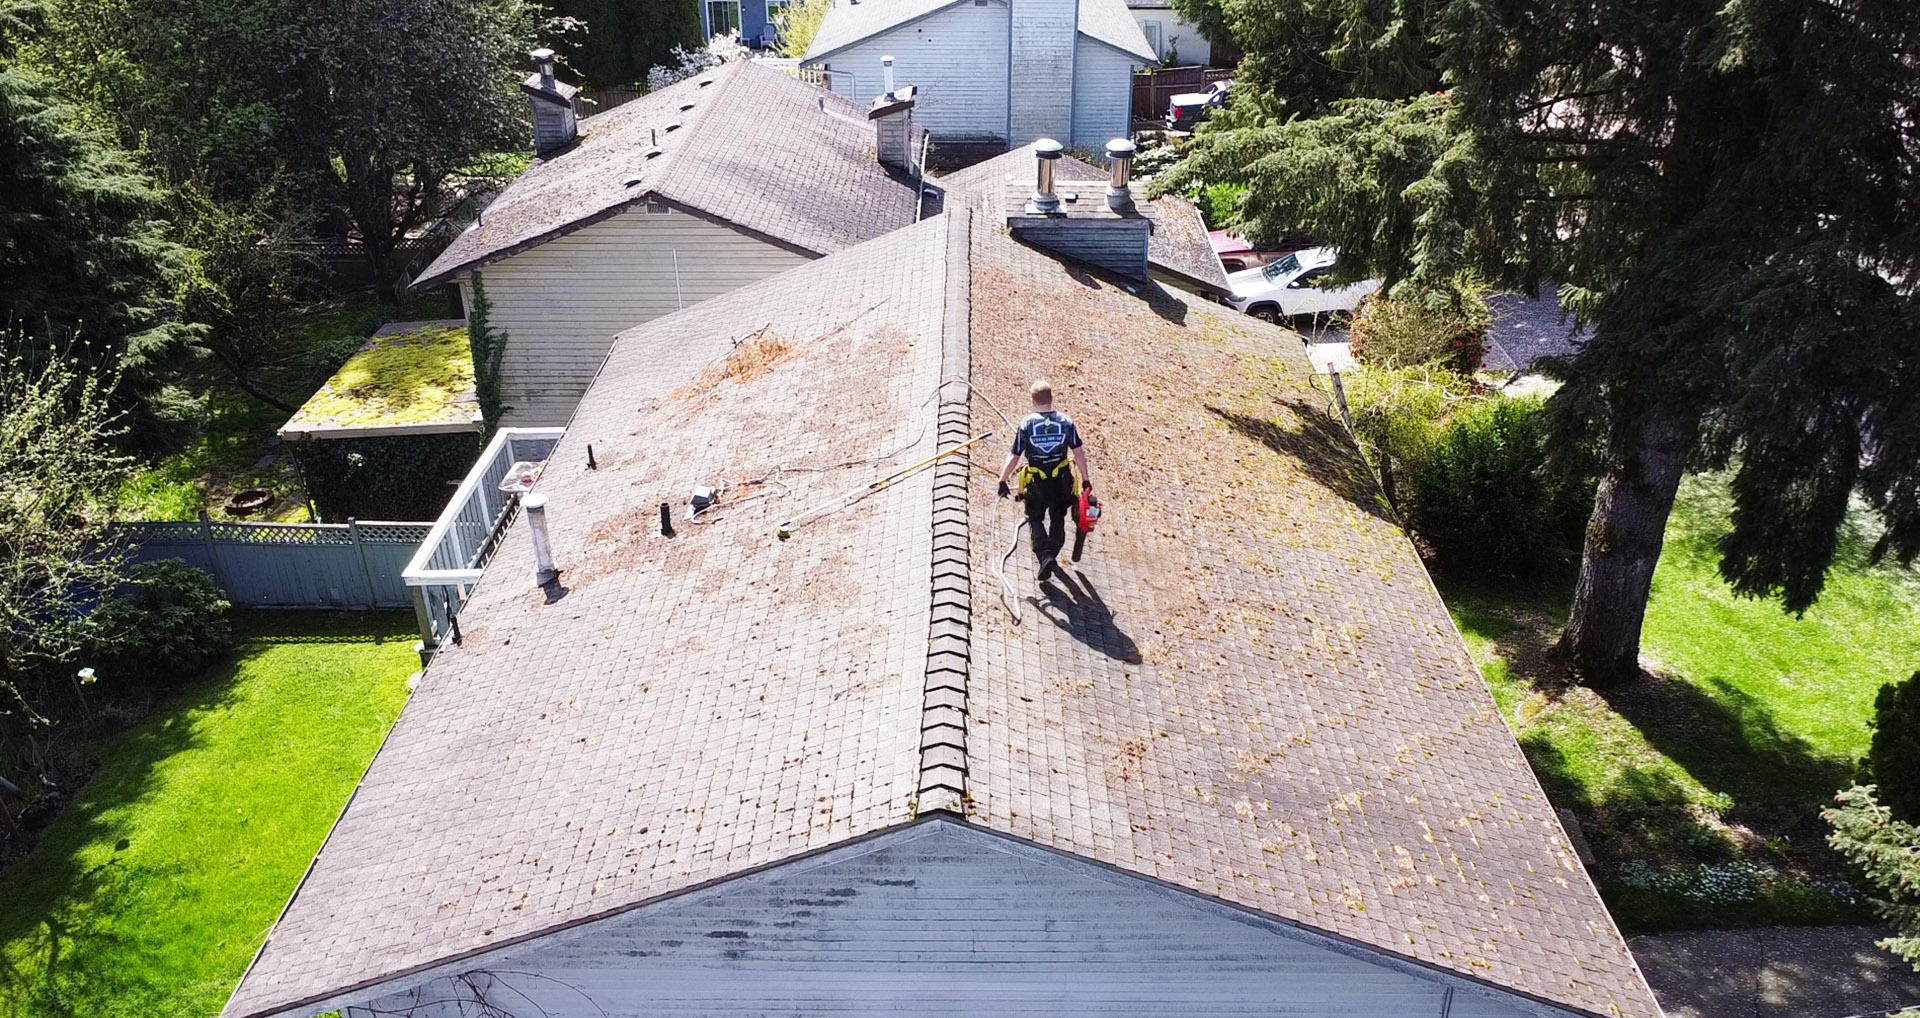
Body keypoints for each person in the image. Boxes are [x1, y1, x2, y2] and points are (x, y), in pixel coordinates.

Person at [996, 380, 1092, 582]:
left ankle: (1045, 556)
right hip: (1061, 481)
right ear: (1051, 399)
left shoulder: (1027, 424)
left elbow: (1014, 455)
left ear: (1033, 400)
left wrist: (1003, 480)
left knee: (1035, 519)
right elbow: (1078, 452)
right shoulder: (1066, 422)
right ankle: (1052, 555)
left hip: (1037, 483)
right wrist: (1085, 480)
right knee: (1058, 519)